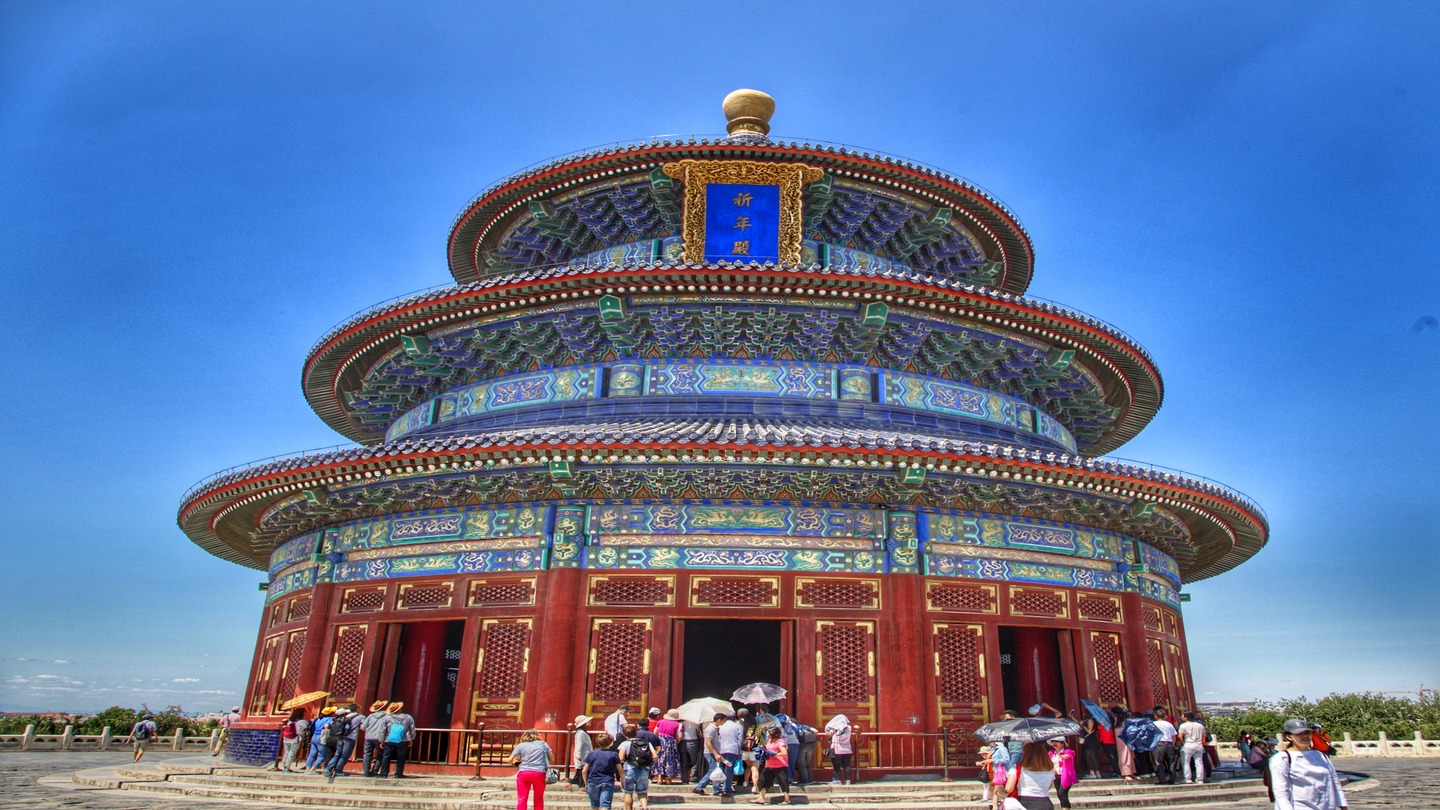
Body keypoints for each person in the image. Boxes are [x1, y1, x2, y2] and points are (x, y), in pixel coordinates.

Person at [1270, 718, 1348, 810]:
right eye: (1299, 734)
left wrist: (1343, 805)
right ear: (1289, 736)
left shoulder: (1321, 756)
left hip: (1327, 806)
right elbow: (1281, 791)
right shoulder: (1282, 759)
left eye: (1307, 733)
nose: (1305, 736)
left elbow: (1334, 782)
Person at [694, 712, 736, 797]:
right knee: (714, 770)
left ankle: (700, 788)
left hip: (713, 752)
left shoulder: (715, 728)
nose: (724, 723)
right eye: (724, 721)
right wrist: (715, 753)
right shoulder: (711, 729)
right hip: (710, 753)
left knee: (713, 770)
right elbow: (708, 742)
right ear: (719, 720)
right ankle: (716, 790)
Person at [1004, 741, 1056, 810]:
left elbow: (1009, 789)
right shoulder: (1050, 769)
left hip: (1025, 802)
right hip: (1045, 802)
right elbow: (1049, 786)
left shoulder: (1017, 768)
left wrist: (999, 790)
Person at [510, 729, 554, 810]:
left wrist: (515, 762)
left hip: (524, 773)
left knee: (522, 798)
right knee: (539, 798)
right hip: (540, 773)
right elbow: (552, 758)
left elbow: (509, 760)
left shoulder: (521, 745)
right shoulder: (544, 744)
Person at [617, 724, 654, 810]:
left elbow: (621, 758)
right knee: (642, 792)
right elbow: (655, 756)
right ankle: (644, 807)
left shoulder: (625, 743)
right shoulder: (647, 743)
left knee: (628, 792)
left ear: (624, 735)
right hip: (644, 769)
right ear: (636, 733)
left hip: (629, 769)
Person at [581, 733, 622, 810]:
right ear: (611, 743)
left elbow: (584, 771)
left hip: (593, 781)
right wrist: (623, 780)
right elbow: (620, 770)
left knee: (594, 805)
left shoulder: (591, 754)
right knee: (605, 804)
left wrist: (586, 783)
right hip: (607, 780)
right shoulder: (613, 754)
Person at [752, 725, 792, 805]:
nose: (767, 734)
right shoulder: (770, 741)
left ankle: (787, 799)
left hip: (779, 765)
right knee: (763, 781)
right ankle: (761, 798)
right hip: (769, 765)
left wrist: (774, 754)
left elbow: (784, 753)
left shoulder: (780, 742)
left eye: (768, 733)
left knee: (783, 782)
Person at [325, 705, 364, 781]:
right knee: (344, 755)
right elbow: (364, 726)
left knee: (337, 754)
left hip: (340, 736)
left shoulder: (345, 716)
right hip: (350, 738)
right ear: (357, 709)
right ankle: (338, 771)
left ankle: (328, 768)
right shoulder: (360, 717)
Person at [378, 701, 415, 778]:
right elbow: (412, 729)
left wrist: (381, 740)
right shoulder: (408, 717)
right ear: (400, 709)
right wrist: (411, 738)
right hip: (403, 740)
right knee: (401, 757)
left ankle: (384, 773)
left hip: (389, 740)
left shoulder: (387, 718)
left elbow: (382, 730)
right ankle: (398, 773)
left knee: (386, 756)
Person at [1176, 711, 1208, 784]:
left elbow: (1180, 736)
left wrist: (1181, 743)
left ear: (1186, 717)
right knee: (1199, 762)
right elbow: (1204, 736)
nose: (1182, 717)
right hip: (1199, 745)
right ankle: (1199, 779)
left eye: (1183, 716)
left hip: (1188, 745)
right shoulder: (1200, 725)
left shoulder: (1183, 726)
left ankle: (1187, 779)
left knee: (1186, 762)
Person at [361, 700, 391, 777]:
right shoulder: (386, 716)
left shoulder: (370, 716)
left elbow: (363, 727)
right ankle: (375, 770)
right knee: (380, 755)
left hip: (368, 737)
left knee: (367, 754)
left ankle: (366, 771)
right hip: (379, 737)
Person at [653, 709, 682, 784]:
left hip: (660, 741)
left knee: (660, 758)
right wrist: (675, 742)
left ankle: (659, 778)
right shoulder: (678, 724)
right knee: (670, 759)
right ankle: (669, 779)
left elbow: (655, 732)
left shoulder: (660, 722)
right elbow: (680, 736)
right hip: (671, 741)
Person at [1047, 738, 1077, 809]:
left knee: (1062, 793)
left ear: (1062, 743)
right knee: (1060, 794)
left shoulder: (1067, 751)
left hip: (1066, 776)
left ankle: (1065, 808)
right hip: (1055, 776)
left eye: (1057, 741)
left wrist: (1066, 756)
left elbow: (1071, 754)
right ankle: (1066, 807)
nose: (1054, 743)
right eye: (1053, 741)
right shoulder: (1051, 753)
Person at [1149, 711, 1178, 784]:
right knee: (1171, 762)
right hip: (1169, 743)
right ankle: (1172, 779)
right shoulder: (1169, 724)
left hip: (1159, 743)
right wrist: (1172, 744)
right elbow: (1174, 736)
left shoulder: (1153, 724)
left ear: (1156, 716)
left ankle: (1162, 779)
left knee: (1159, 762)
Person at [305, 706, 336, 772]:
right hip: (321, 736)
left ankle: (307, 768)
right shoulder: (330, 719)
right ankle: (313, 769)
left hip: (314, 736)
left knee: (312, 753)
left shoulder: (318, 719)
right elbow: (327, 726)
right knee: (323, 754)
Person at [824, 714, 852, 785]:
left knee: (836, 766)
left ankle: (837, 780)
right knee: (847, 765)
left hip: (836, 749)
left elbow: (829, 734)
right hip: (847, 749)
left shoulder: (835, 728)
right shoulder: (849, 727)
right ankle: (848, 780)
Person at [680, 715, 704, 784]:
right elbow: (700, 734)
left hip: (683, 742)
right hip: (693, 742)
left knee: (684, 761)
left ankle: (684, 778)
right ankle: (693, 778)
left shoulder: (681, 723)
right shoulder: (696, 724)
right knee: (695, 761)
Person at [572, 715, 595, 786]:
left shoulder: (581, 732)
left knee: (581, 772)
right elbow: (579, 744)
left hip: (585, 754)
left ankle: (574, 783)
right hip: (583, 755)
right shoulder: (581, 733)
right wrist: (578, 754)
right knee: (583, 771)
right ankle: (582, 786)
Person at [794, 720, 817, 785]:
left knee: (801, 764)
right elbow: (816, 731)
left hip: (801, 745)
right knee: (807, 763)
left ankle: (804, 780)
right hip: (811, 744)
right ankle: (810, 780)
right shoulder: (805, 727)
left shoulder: (794, 727)